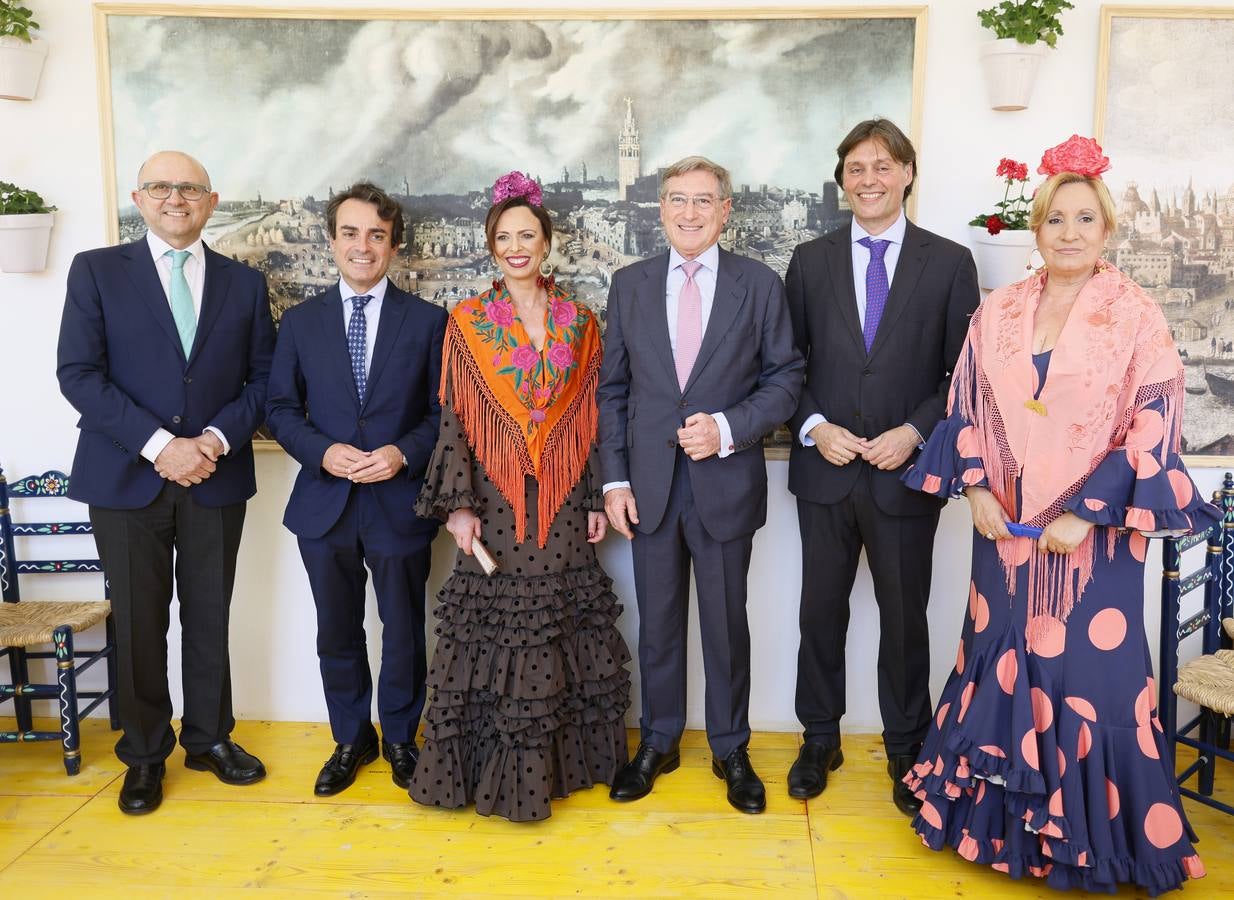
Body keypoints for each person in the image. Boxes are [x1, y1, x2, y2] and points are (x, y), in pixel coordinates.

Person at [901, 135, 1213, 894]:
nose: (1068, 233)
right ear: (1034, 231)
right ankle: (1001, 834)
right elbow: (966, 404)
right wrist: (974, 489)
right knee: (1000, 659)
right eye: (1054, 220)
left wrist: (1091, 513)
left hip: (1093, 545)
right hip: (1003, 534)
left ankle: (1095, 842)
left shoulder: (1136, 315)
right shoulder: (999, 312)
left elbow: (1153, 423)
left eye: (1083, 219)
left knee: (1089, 680)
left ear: (1106, 228)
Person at [56, 150, 274, 814]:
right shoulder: (96, 271)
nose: (175, 198)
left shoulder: (244, 283)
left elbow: (263, 381)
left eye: (189, 188)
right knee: (140, 622)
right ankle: (145, 755)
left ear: (210, 201)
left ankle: (209, 740)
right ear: (138, 198)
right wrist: (161, 445)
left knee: (209, 615)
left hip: (215, 473)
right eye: (160, 187)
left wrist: (208, 441)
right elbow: (78, 374)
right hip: (126, 477)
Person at [408, 172, 630, 821]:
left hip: (561, 505)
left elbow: (591, 420)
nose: (515, 246)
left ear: (547, 241)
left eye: (526, 235)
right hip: (494, 506)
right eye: (503, 237)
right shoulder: (468, 321)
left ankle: (560, 770)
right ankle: (487, 773)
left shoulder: (580, 322)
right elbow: (454, 420)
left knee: (557, 626)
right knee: (495, 633)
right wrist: (458, 506)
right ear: (489, 245)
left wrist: (593, 500)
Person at [783, 118, 979, 814]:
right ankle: (818, 738)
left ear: (906, 173)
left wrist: (917, 431)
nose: (868, 178)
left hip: (906, 475)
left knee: (905, 618)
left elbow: (964, 374)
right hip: (826, 472)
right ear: (843, 183)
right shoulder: (809, 261)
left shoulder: (950, 262)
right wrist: (812, 426)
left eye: (881, 165)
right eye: (855, 169)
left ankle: (908, 746)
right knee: (819, 612)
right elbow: (786, 366)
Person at [598, 156, 804, 814]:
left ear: (725, 211)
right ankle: (657, 740)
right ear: (660, 209)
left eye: (703, 201)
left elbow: (786, 380)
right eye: (677, 200)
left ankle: (730, 747)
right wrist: (614, 481)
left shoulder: (759, 285)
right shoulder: (629, 285)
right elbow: (614, 391)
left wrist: (726, 426)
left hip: (725, 485)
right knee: (657, 624)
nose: (689, 212)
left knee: (725, 624)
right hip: (650, 489)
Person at [265, 182, 446, 796]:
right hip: (324, 505)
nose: (362, 246)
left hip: (400, 505)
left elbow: (444, 415)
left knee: (403, 629)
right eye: (350, 232)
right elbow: (281, 409)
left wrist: (401, 453)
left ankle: (399, 735)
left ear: (394, 245)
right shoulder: (300, 322)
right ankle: (351, 738)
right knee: (335, 629)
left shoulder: (429, 323)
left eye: (377, 234)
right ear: (332, 239)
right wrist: (323, 452)